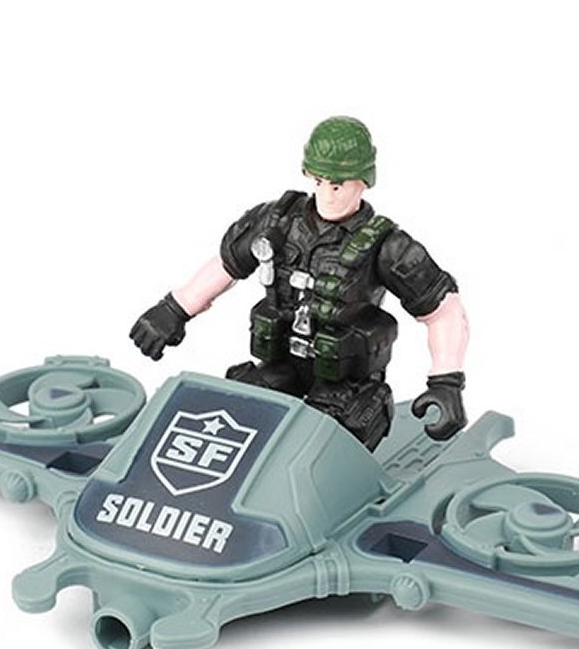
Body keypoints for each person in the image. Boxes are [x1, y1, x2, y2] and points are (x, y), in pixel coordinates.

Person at [130, 116, 469, 451]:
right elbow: (228, 265)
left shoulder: (388, 246)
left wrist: (446, 381)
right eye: (319, 181)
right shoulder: (277, 220)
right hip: (280, 366)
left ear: (363, 182)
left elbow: (443, 309)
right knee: (234, 417)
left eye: (338, 185)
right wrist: (174, 309)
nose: (327, 195)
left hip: (345, 383)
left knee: (325, 448)